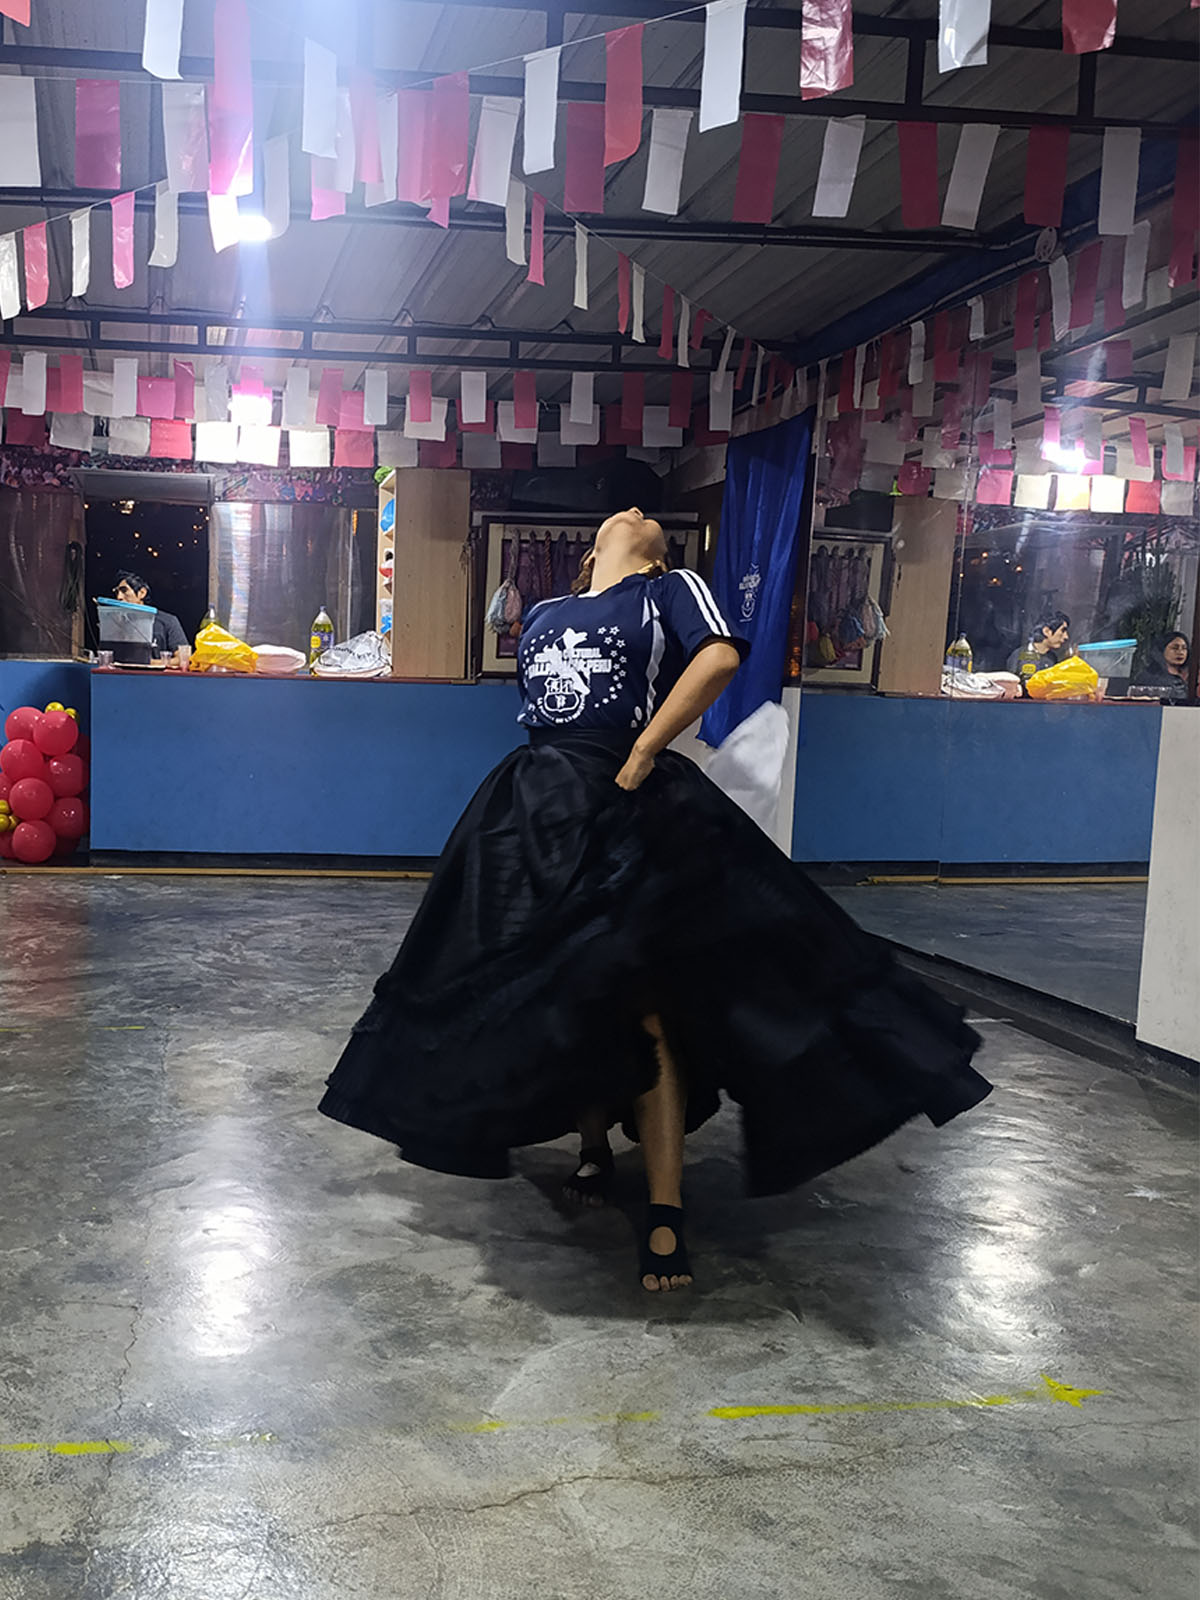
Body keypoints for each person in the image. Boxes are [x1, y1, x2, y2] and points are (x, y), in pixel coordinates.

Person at [319, 509, 991, 1292]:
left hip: (630, 805)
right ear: (594, 546)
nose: (638, 511)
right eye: (626, 511)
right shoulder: (545, 610)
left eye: (648, 515)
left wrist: (643, 752)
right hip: (537, 807)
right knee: (559, 996)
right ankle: (593, 1145)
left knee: (645, 1008)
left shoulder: (669, 588)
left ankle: (665, 1207)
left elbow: (719, 656)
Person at [114, 571, 189, 659]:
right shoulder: (116, 622)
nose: (119, 597)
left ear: (142, 593)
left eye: (124, 591)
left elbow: (184, 658)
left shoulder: (167, 621)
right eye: (117, 592)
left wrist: (150, 663)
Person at [1007, 610, 1071, 693]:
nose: (1066, 637)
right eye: (1062, 631)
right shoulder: (1019, 655)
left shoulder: (1052, 658)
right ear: (1046, 631)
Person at [1132, 632, 1193, 703]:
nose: (1180, 652)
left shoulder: (1192, 676)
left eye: (1184, 648)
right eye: (1174, 648)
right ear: (1162, 650)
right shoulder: (1150, 677)